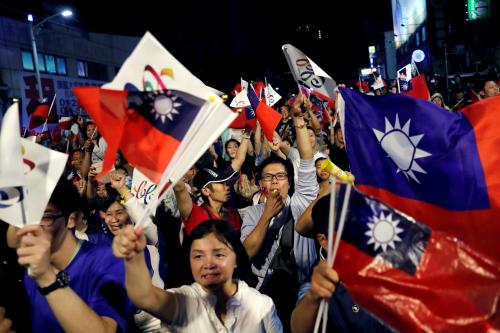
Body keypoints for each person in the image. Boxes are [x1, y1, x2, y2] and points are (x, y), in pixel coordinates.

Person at [6, 177, 135, 333]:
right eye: (27, 218)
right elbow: (12, 240)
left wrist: (47, 277)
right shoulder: (31, 271)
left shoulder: (108, 261)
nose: (33, 228)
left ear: (72, 220)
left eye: (45, 217)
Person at [113, 219, 283, 332]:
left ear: (236, 259)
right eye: (198, 256)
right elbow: (144, 296)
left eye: (219, 254)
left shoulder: (261, 305)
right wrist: (133, 256)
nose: (208, 264)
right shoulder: (185, 301)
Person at [241, 95, 319, 330]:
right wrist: (266, 216)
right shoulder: (254, 213)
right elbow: (246, 253)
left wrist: (298, 119)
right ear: (261, 184)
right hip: (265, 291)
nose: (275, 182)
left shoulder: (301, 202)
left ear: (289, 181)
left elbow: (305, 159)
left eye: (280, 176)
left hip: (303, 288)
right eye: (268, 177)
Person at [291, 194, 396, 333]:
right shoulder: (320, 282)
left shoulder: (386, 263)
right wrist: (313, 297)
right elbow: (299, 329)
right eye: (343, 232)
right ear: (324, 240)